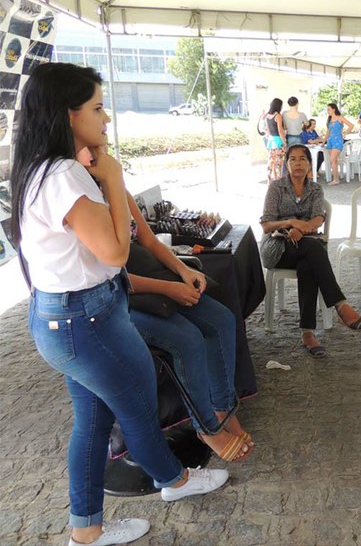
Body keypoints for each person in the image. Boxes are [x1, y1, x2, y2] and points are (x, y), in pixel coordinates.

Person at [10, 63, 228, 546]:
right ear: (68, 116)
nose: (106, 119)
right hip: (82, 319)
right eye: (97, 107)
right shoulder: (64, 174)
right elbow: (114, 250)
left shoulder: (41, 170)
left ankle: (86, 528)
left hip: (71, 315)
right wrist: (112, 173)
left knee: (95, 418)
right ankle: (175, 482)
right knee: (135, 406)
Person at [121, 196, 252, 462]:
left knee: (222, 319)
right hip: (119, 300)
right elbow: (108, 277)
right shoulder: (80, 196)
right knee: (187, 338)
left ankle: (222, 409)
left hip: (152, 281)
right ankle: (206, 427)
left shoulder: (113, 185)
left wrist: (182, 271)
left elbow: (149, 240)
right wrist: (170, 288)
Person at [260, 145, 361, 356]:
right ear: (287, 163)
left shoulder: (315, 189)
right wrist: (292, 223)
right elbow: (266, 225)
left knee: (308, 264)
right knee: (313, 249)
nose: (298, 163)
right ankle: (339, 304)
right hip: (277, 248)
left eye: (302, 159)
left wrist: (304, 229)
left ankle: (307, 332)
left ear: (309, 163)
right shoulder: (276, 188)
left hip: (305, 246)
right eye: (293, 159)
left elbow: (319, 217)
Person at [325, 103, 355, 185]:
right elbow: (328, 131)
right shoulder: (329, 119)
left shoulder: (340, 118)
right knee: (333, 161)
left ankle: (336, 179)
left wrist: (345, 133)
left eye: (329, 109)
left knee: (332, 160)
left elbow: (351, 125)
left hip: (338, 140)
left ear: (334, 109)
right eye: (327, 110)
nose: (328, 111)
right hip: (330, 141)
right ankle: (336, 178)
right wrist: (324, 140)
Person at [265, 97, 287, 182]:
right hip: (278, 141)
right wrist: (284, 143)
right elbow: (280, 131)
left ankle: (269, 180)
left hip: (271, 141)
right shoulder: (278, 116)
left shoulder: (267, 116)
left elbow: (268, 130)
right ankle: (278, 181)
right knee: (278, 163)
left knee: (271, 162)